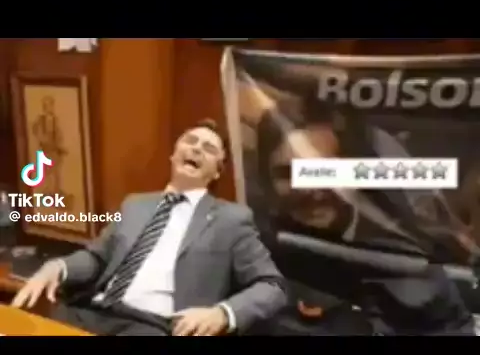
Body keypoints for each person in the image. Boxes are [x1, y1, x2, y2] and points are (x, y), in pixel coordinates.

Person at [12, 119, 287, 336]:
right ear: (173, 155)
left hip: (152, 326)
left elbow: (272, 286)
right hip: (92, 310)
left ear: (217, 171)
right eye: (190, 141)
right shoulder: (135, 204)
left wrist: (222, 314)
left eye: (209, 148)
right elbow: (97, 257)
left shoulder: (231, 220)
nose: (196, 149)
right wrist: (59, 267)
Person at [254, 103, 475, 335]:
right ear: (266, 181)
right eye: (286, 173)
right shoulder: (253, 260)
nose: (308, 189)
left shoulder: (410, 252)